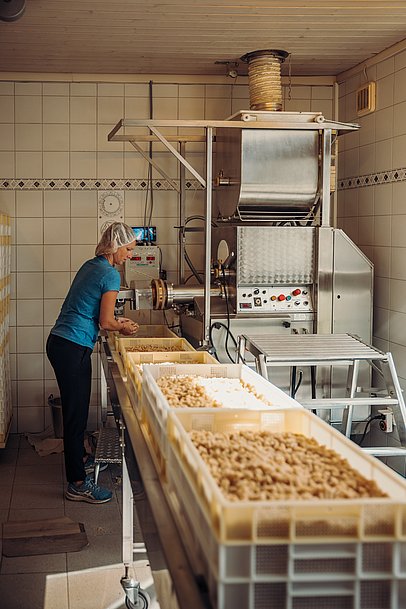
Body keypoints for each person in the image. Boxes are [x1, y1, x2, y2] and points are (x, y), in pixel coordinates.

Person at [46, 222, 139, 504]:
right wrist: (122, 327)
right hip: (73, 347)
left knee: (77, 410)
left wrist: (114, 322)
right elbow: (105, 321)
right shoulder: (110, 275)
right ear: (117, 246)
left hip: (60, 342)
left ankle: (81, 459)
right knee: (75, 416)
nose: (130, 256)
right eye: (129, 250)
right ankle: (77, 483)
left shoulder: (92, 264)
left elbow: (92, 311)